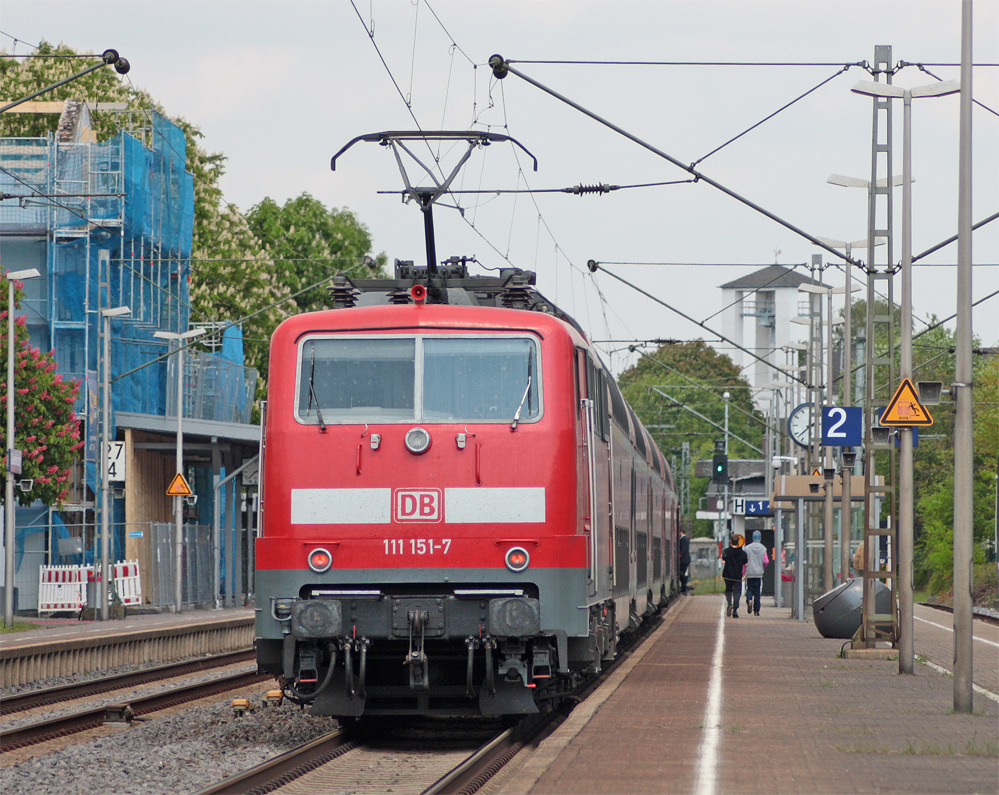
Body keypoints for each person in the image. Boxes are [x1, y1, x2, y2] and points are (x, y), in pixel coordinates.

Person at [721, 533, 748, 618]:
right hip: (737, 576)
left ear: (730, 541)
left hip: (728, 575)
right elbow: (746, 564)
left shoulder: (726, 551)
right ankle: (735, 610)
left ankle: (729, 603)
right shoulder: (743, 553)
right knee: (737, 592)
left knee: (728, 590)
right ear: (738, 542)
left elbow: (723, 561)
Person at [743, 530, 769, 616]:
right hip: (759, 573)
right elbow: (766, 561)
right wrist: (762, 567)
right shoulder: (763, 548)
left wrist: (744, 572)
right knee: (757, 591)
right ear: (760, 537)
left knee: (750, 588)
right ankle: (756, 610)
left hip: (750, 572)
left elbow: (744, 561)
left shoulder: (747, 548)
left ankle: (749, 599)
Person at [678, 528, 691, 594]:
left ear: (681, 532)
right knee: (681, 573)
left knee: (679, 572)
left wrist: (679, 556)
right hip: (686, 559)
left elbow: (683, 549)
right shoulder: (686, 539)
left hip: (683, 560)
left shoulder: (683, 539)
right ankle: (684, 588)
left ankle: (686, 578)